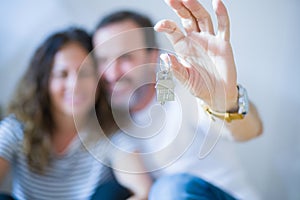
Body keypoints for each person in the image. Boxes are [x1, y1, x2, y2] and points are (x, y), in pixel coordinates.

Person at [92, 0, 263, 199]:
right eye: (103, 60)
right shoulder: (109, 121)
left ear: (152, 57)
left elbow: (251, 130)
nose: (112, 73)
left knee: (168, 189)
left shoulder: (183, 91)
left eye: (126, 57)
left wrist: (224, 100)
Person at [0, 27, 152, 200]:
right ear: (44, 83)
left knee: (111, 192)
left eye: (85, 73)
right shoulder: (16, 129)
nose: (74, 84)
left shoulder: (108, 135)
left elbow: (143, 191)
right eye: (62, 74)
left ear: (98, 80)